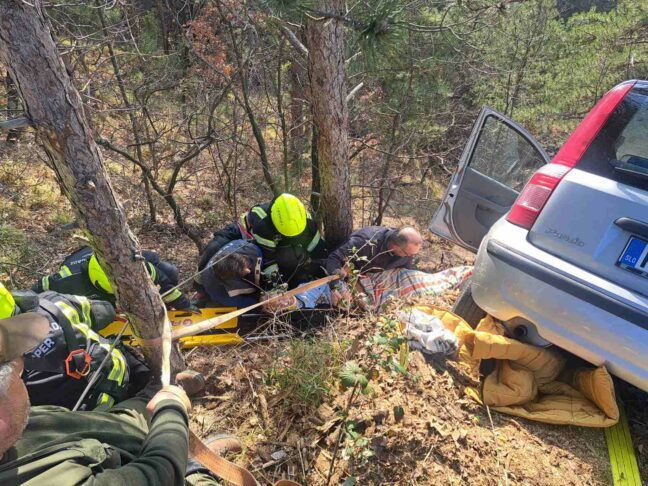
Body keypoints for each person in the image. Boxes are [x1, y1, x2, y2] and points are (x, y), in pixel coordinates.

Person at [0, 312, 216, 485]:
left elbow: (95, 425)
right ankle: (197, 471)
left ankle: (157, 391)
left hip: (124, 446)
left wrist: (151, 397)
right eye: (16, 372)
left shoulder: (25, 425)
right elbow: (159, 476)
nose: (22, 374)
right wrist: (171, 413)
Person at [0, 282, 140, 411]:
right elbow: (104, 311)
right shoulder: (52, 303)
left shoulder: (6, 375)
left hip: (91, 421)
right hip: (125, 374)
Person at [197, 193, 329, 289]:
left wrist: (328, 271)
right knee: (214, 248)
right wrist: (276, 286)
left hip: (275, 243)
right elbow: (268, 259)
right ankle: (199, 287)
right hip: (242, 233)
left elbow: (318, 249)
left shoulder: (307, 222)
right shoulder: (264, 224)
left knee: (290, 258)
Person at [325, 226, 472, 310]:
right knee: (363, 305)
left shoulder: (404, 250)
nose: (410, 257)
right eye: (408, 254)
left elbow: (405, 273)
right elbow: (333, 259)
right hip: (355, 275)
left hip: (382, 277)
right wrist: (337, 285)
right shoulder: (366, 241)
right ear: (395, 247)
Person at [32, 246, 194, 310]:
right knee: (104, 309)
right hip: (79, 260)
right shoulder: (68, 280)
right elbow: (39, 288)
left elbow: (163, 281)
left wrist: (183, 304)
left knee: (169, 271)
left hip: (111, 253)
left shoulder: (134, 264)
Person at [199, 240, 332, 312]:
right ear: (232, 277)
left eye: (246, 266)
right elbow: (245, 303)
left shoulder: (244, 247)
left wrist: (272, 281)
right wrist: (262, 300)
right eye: (242, 272)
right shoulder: (217, 289)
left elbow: (265, 258)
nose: (247, 270)